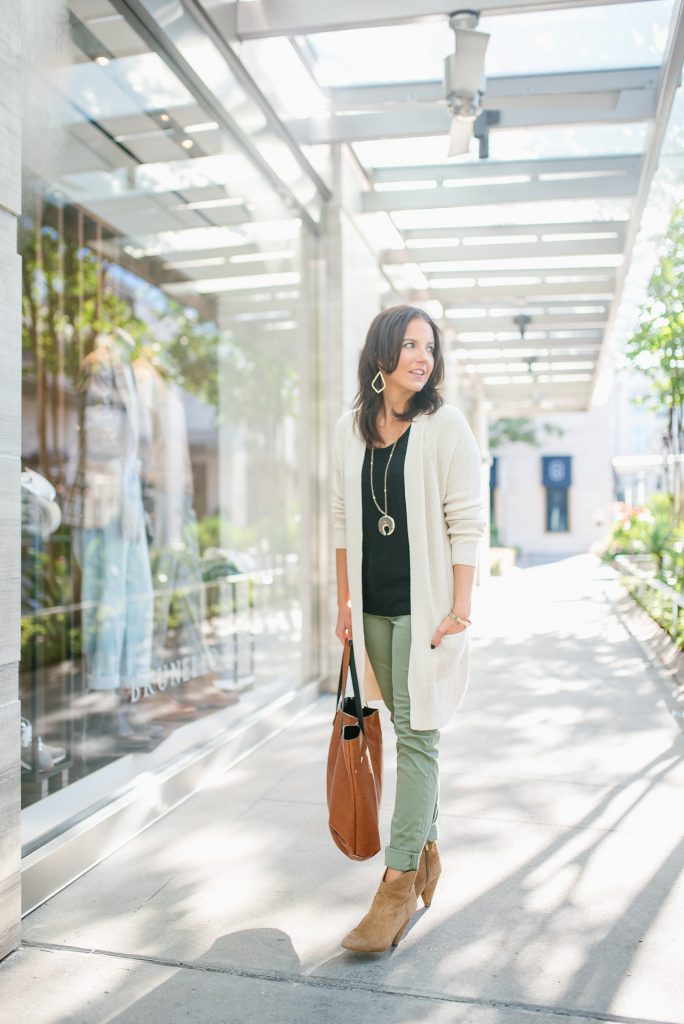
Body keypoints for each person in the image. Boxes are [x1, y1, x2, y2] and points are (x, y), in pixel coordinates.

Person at [332, 304, 485, 953]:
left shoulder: (446, 426)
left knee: (419, 739)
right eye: (411, 345)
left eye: (430, 346)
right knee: (404, 730)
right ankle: (427, 853)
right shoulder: (349, 428)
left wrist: (460, 609)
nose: (422, 356)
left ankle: (394, 887)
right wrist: (343, 602)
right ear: (382, 355)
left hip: (427, 618)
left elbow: (467, 521)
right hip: (370, 610)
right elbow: (341, 519)